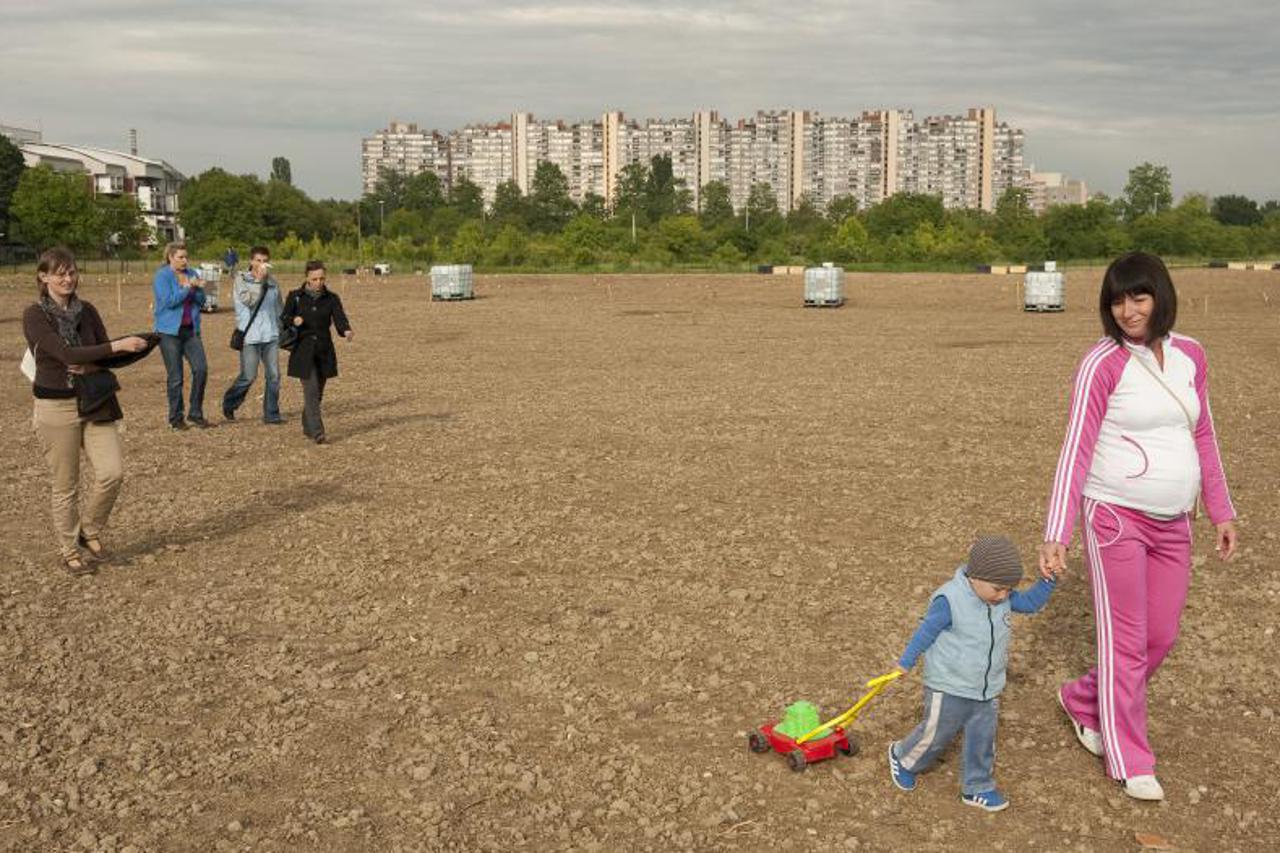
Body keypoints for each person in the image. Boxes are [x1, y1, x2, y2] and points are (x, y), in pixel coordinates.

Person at [1039, 252, 1238, 802]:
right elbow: (1075, 448)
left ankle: (1083, 699)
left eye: (1138, 297)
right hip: (1113, 517)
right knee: (1125, 642)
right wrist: (1057, 531)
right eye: (1117, 300)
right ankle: (1130, 759)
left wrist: (1222, 510)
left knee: (1161, 635)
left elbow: (1205, 437)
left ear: (1160, 297)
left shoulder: (1191, 356)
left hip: (1175, 521)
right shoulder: (1101, 363)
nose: (1127, 310)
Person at [887, 536, 1056, 812]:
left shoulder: (1000, 596)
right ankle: (903, 756)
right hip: (949, 684)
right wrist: (905, 663)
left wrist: (1048, 581)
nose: (1004, 596)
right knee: (937, 733)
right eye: (998, 589)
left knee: (982, 738)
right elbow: (925, 631)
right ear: (975, 576)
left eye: (1008, 589)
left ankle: (978, 786)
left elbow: (1030, 604)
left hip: (986, 687)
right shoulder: (950, 600)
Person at [23, 247, 151, 575]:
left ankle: (88, 529)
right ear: (44, 277)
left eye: (72, 272)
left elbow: (101, 357)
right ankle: (68, 550)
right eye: (60, 273)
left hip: (94, 400)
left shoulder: (88, 310)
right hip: (56, 404)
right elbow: (65, 354)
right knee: (65, 485)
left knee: (112, 473)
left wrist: (132, 347)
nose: (68, 278)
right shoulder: (35, 314)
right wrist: (116, 346)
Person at [281, 260, 353, 444]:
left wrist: (346, 330)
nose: (318, 282)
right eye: (314, 279)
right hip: (303, 351)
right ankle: (318, 432)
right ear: (307, 278)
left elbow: (339, 318)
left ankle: (307, 424)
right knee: (311, 390)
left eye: (322, 278)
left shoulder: (332, 298)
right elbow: (284, 317)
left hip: (324, 351)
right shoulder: (295, 296)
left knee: (318, 393)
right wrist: (293, 319)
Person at [221, 245, 284, 424]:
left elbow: (279, 308)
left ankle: (271, 414)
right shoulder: (241, 279)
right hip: (250, 337)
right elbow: (249, 301)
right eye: (258, 260)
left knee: (274, 376)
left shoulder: (273, 282)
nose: (261, 264)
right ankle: (230, 403)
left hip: (270, 335)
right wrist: (258, 281)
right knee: (249, 376)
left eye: (265, 261)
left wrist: (284, 328)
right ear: (251, 261)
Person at [152, 241, 209, 429]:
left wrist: (199, 289)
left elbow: (202, 301)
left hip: (190, 330)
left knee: (201, 369)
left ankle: (195, 413)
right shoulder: (162, 276)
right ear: (170, 257)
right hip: (169, 332)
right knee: (176, 377)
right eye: (181, 257)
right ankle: (176, 418)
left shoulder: (192, 274)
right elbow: (169, 302)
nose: (185, 261)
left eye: (186, 257)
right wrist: (187, 288)